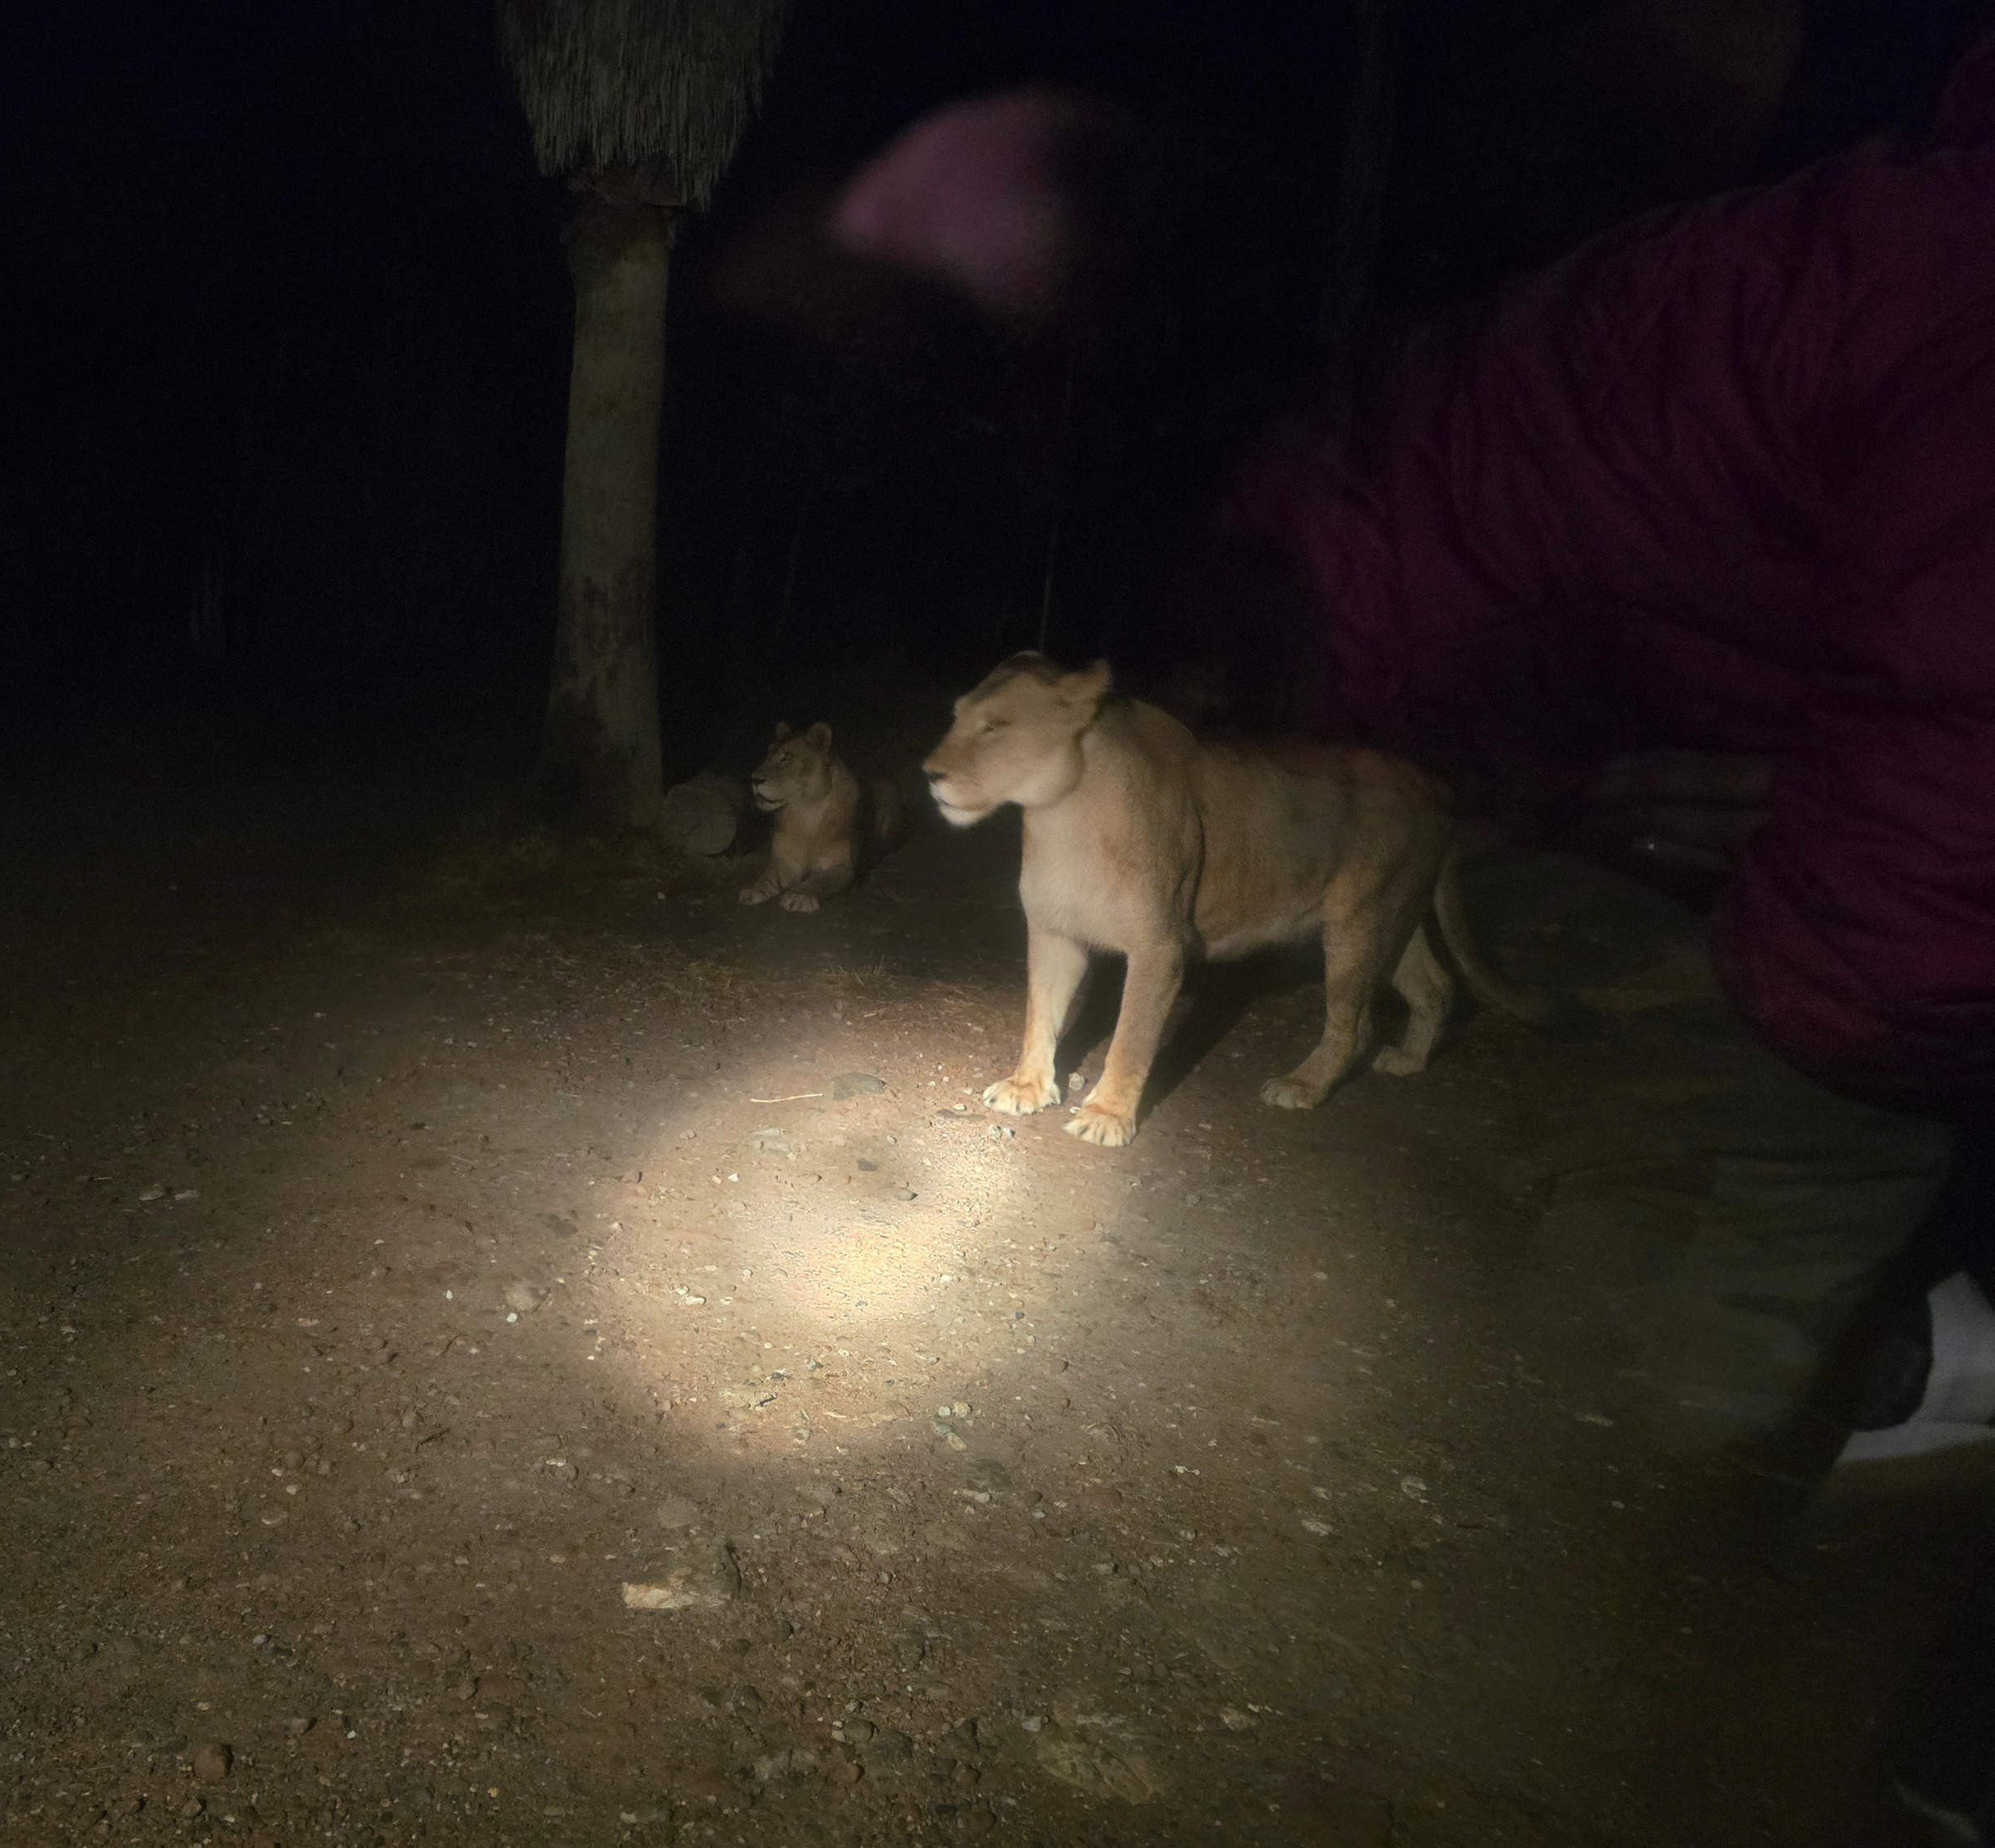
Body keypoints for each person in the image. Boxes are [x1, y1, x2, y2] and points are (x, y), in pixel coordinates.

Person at [829, 25, 1995, 1841]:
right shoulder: (1910, 273)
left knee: (1419, 990)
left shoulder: (1826, 240)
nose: (951, 754)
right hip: (1493, 725)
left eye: (986, 731)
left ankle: (1616, 1631)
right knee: (1749, 1136)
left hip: (1429, 690)